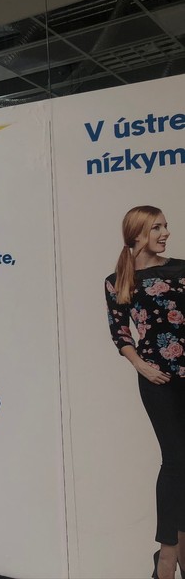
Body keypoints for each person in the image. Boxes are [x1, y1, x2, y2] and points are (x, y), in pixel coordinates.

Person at [105, 205, 185, 579]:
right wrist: (141, 365)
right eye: (156, 227)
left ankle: (179, 547)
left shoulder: (181, 268)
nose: (165, 233)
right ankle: (167, 555)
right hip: (157, 379)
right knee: (175, 461)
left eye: (165, 226)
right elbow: (120, 332)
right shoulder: (118, 280)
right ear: (137, 234)